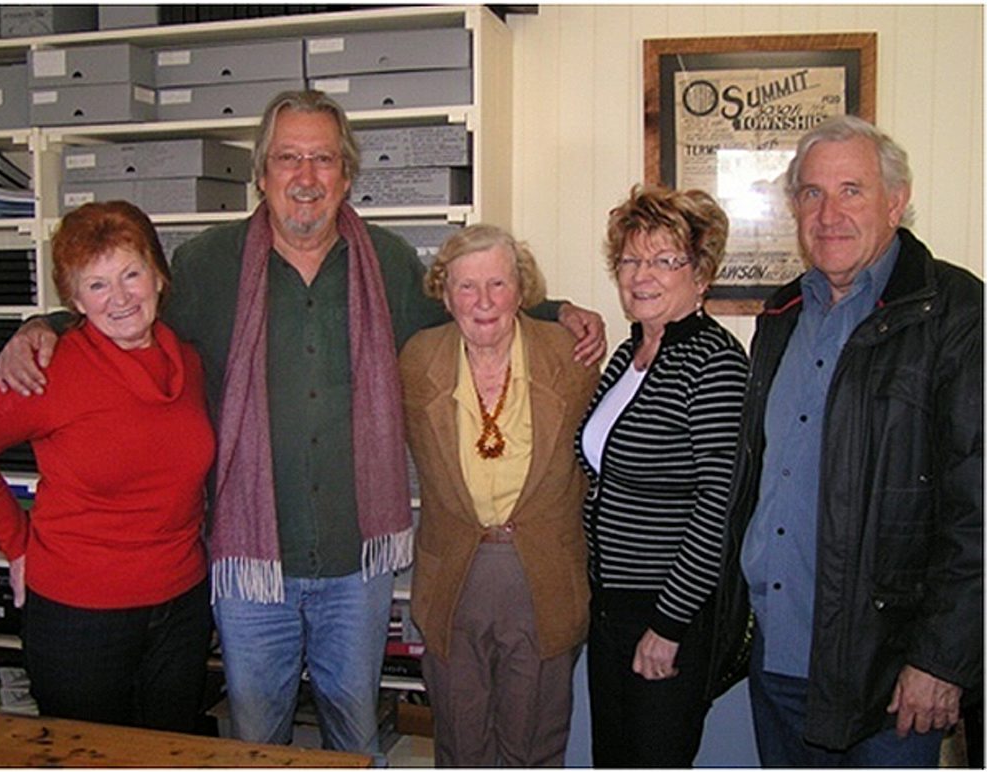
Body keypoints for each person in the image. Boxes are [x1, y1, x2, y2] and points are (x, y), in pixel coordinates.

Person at [0, 90, 606, 755]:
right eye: (288, 158)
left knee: (354, 735)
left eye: (323, 160)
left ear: (346, 175)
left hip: (355, 565)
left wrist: (561, 310)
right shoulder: (206, 265)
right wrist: (40, 326)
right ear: (261, 173)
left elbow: (473, 310)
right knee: (257, 739)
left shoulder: (392, 265)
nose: (306, 178)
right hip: (252, 565)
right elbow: (126, 317)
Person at [708, 115, 983, 766]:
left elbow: (978, 508)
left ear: (897, 199)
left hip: (889, 678)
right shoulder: (781, 313)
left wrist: (941, 659)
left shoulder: (956, 314)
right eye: (811, 194)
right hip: (776, 656)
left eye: (852, 190)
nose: (829, 213)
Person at [0, 201, 215, 732]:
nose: (121, 298)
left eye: (131, 273)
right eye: (97, 285)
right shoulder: (46, 369)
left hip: (182, 609)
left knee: (170, 756)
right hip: (79, 618)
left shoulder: (188, 360)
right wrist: (16, 544)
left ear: (158, 275)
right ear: (75, 298)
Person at [399, 225, 598, 766]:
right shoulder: (418, 360)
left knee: (534, 744)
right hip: (454, 577)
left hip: (543, 576)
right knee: (460, 742)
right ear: (445, 294)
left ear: (521, 288)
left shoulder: (569, 354)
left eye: (497, 284)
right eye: (466, 287)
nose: (483, 302)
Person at [574, 185, 749, 767]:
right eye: (630, 259)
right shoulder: (630, 355)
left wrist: (669, 624)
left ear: (701, 275)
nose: (641, 275)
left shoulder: (714, 363)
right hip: (612, 609)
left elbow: (717, 506)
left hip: (668, 613)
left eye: (663, 260)